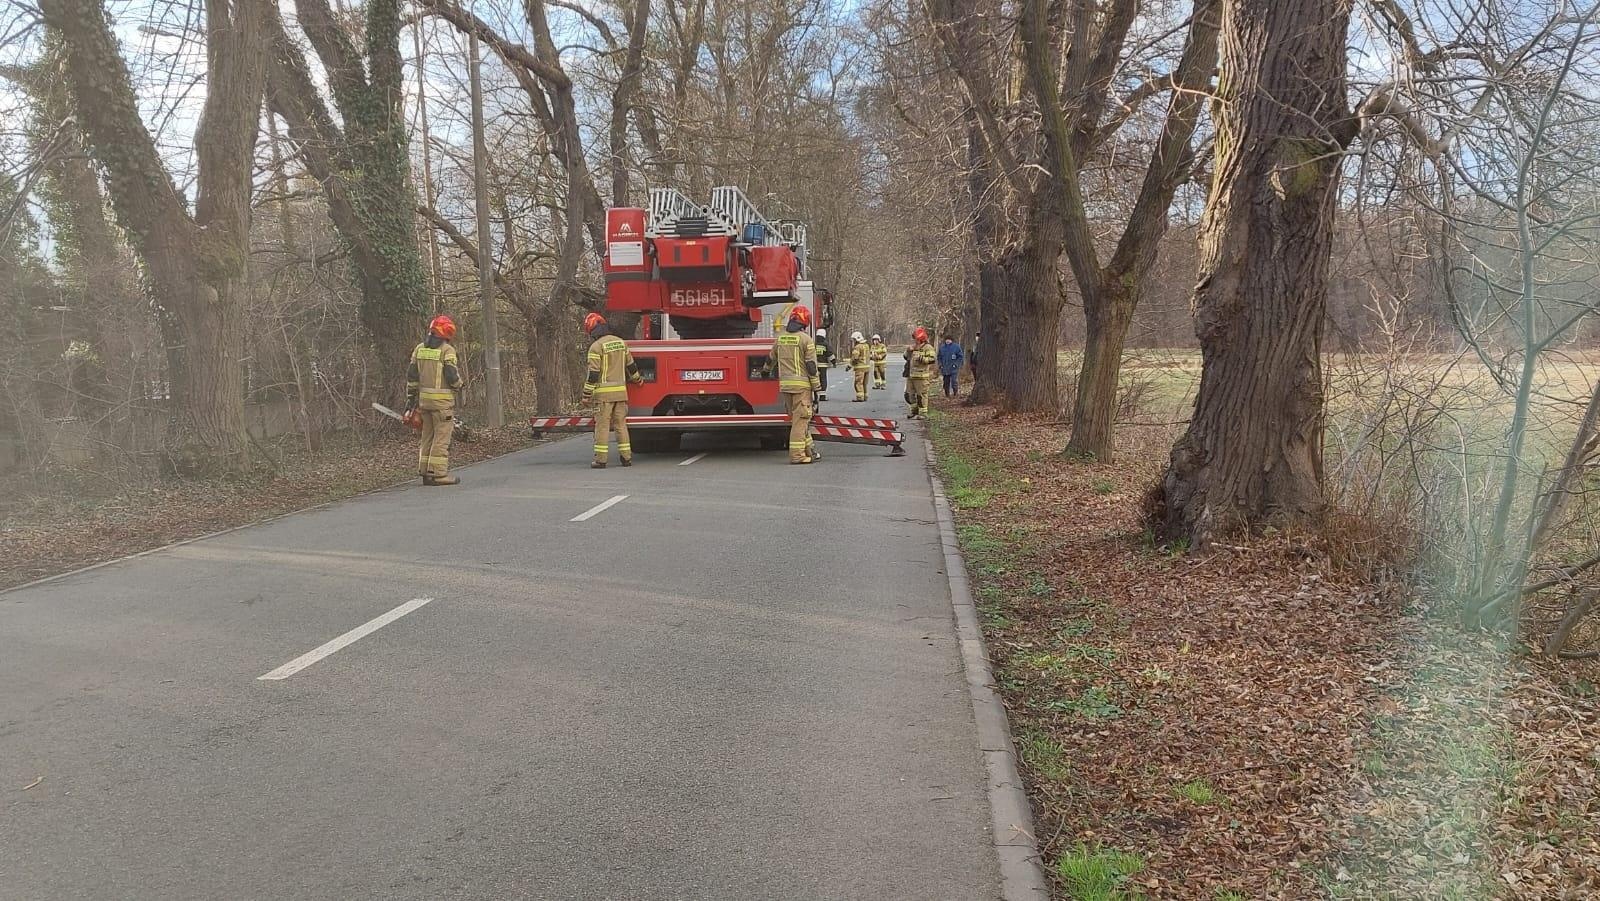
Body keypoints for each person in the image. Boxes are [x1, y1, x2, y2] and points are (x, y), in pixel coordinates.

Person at [406, 314, 467, 486]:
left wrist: (410, 400)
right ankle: (439, 474)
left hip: (424, 403)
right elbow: (451, 375)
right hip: (442, 405)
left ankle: (425, 472)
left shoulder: (419, 349)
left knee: (427, 437)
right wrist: (460, 386)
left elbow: (411, 376)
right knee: (441, 439)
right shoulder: (447, 350)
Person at [582, 312, 644, 469]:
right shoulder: (620, 343)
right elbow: (631, 366)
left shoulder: (595, 348)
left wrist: (586, 395)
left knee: (602, 427)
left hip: (603, 396)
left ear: (592, 331)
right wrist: (638, 380)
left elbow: (593, 374)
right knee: (621, 425)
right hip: (621, 394)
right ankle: (626, 458)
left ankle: (601, 460)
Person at [767, 305, 821, 464]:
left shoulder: (780, 338)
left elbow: (770, 359)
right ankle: (797, 455)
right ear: (805, 322)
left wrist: (765, 371)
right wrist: (817, 387)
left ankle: (809, 450)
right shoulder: (806, 340)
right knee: (801, 421)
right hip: (801, 387)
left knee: (798, 420)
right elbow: (811, 366)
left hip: (785, 387)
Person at [906, 327, 937, 418]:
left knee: (921, 395)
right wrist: (908, 351)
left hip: (921, 376)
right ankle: (914, 411)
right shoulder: (913, 346)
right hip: (911, 375)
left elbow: (932, 359)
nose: (915, 340)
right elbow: (906, 357)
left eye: (916, 338)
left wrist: (922, 359)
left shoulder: (928, 347)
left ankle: (923, 413)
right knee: (910, 395)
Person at [849, 330, 870, 402]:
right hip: (867, 367)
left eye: (854, 339)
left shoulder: (857, 347)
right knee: (864, 383)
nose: (853, 341)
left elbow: (855, 357)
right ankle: (865, 396)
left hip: (859, 368)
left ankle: (860, 397)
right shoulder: (866, 345)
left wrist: (850, 364)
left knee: (858, 383)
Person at [814, 327, 835, 401]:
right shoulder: (825, 344)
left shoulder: (813, 343)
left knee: (815, 380)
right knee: (823, 379)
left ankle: (815, 394)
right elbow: (830, 354)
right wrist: (833, 362)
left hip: (814, 365)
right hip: (823, 365)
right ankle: (822, 396)